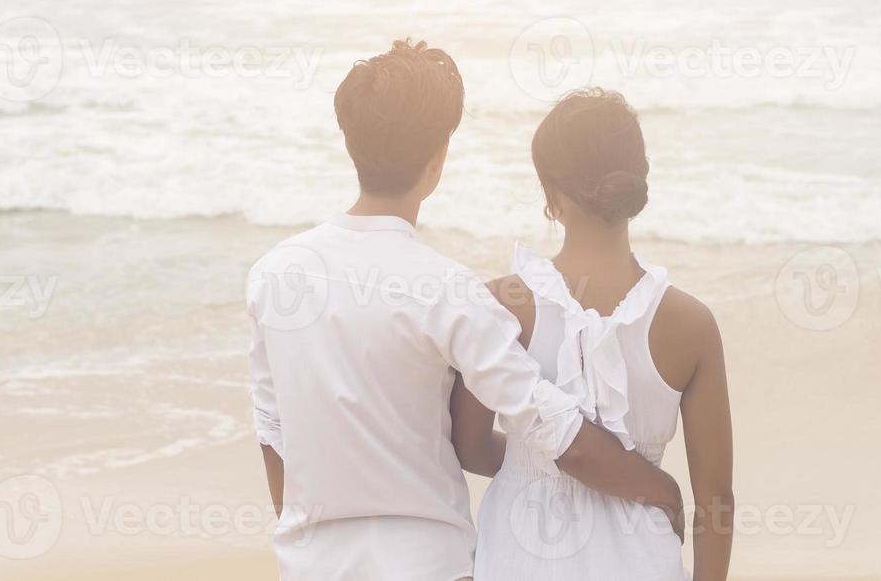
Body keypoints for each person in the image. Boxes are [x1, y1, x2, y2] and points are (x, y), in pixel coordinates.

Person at [246, 42, 684, 581]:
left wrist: (308, 541)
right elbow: (553, 428)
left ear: (350, 142)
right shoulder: (449, 291)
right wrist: (658, 487)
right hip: (431, 566)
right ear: (438, 160)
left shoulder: (274, 274)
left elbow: (272, 428)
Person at [452, 89, 735, 581]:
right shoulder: (691, 323)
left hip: (523, 556)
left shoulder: (503, 306)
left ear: (552, 197)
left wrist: (541, 455)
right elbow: (716, 500)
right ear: (636, 181)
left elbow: (467, 445)